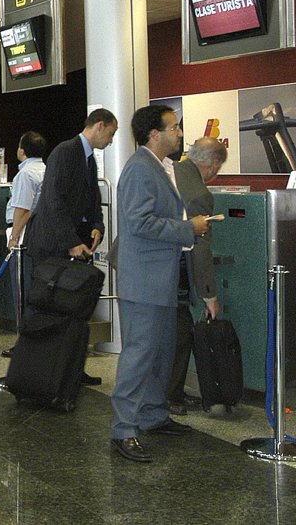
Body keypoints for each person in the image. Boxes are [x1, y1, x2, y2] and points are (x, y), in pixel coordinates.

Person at [110, 105, 210, 463]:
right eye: (174, 128)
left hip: (161, 278)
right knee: (139, 355)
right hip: (144, 279)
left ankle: (152, 415)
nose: (180, 133)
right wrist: (188, 228)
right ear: (154, 134)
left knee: (159, 352)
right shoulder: (140, 169)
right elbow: (140, 223)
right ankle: (124, 428)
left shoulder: (161, 166)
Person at [21, 110, 117, 376]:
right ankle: (36, 370)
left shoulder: (89, 159)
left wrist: (97, 226)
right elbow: (54, 200)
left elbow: (92, 198)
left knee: (71, 308)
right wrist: (71, 241)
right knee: (45, 308)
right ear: (99, 126)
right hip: (51, 245)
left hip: (71, 244)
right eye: (111, 134)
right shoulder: (65, 152)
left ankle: (69, 369)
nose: (111, 141)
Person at [169, 137, 227, 415]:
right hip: (168, 266)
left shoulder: (171, 170)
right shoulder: (200, 194)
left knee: (167, 330)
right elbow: (200, 248)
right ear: (213, 164)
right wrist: (209, 296)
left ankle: (172, 392)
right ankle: (170, 396)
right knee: (180, 332)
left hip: (143, 262)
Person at [5, 131, 48, 323]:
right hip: (39, 234)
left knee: (22, 288)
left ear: (22, 150)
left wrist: (14, 237)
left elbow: (22, 209)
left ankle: (24, 332)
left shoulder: (25, 174)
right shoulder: (46, 170)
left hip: (23, 236)